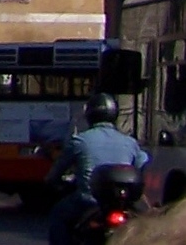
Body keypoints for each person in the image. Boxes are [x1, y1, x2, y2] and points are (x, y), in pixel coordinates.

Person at [45, 94, 148, 245]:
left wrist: (53, 181)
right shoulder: (130, 142)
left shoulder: (80, 141)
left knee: (58, 215)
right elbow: (142, 163)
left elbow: (56, 172)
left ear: (90, 115)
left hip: (88, 201)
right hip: (123, 203)